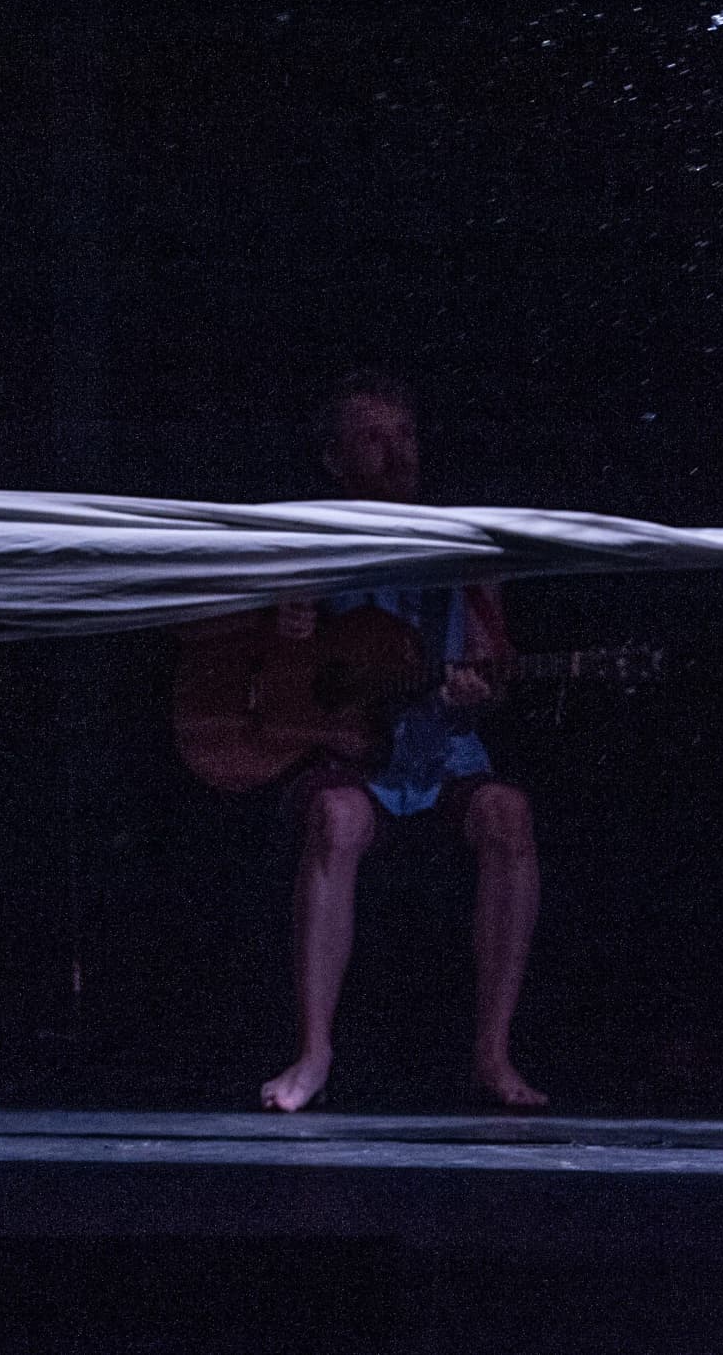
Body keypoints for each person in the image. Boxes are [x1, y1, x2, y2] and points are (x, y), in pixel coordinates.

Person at [179, 373, 547, 1111]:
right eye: (374, 438)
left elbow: (494, 665)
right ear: (334, 457)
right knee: (338, 818)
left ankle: (494, 1054)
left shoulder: (464, 546)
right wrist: (275, 625)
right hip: (344, 751)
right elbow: (210, 630)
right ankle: (314, 1053)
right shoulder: (304, 539)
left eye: (405, 435)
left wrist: (480, 688)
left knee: (509, 813)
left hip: (439, 750)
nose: (396, 453)